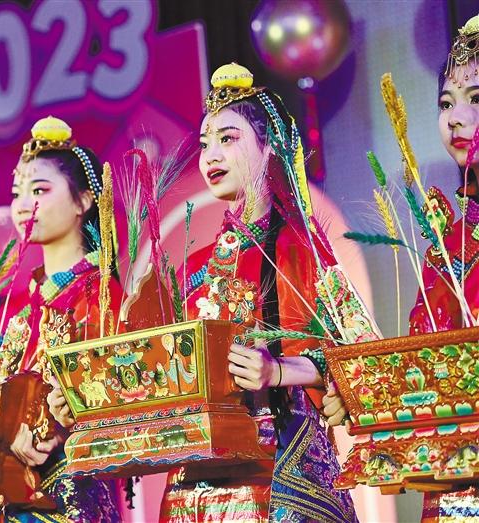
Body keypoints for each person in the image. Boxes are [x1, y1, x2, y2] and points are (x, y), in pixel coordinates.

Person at [158, 63, 357, 522]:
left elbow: (353, 351)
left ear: (268, 148)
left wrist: (277, 370)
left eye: (228, 139)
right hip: (198, 475)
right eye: (205, 142)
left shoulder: (296, 244)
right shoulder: (195, 266)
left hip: (275, 464)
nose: (211, 154)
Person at [0, 116, 122, 523]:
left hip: (70, 499)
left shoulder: (101, 296)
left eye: (39, 190)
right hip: (8, 499)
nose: (24, 204)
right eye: (17, 193)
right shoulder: (19, 308)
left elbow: (123, 395)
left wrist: (60, 428)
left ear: (83, 201)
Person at [409, 13, 479, 522]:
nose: (455, 118)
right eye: (446, 103)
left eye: (475, 98)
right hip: (454, 485)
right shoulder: (443, 246)